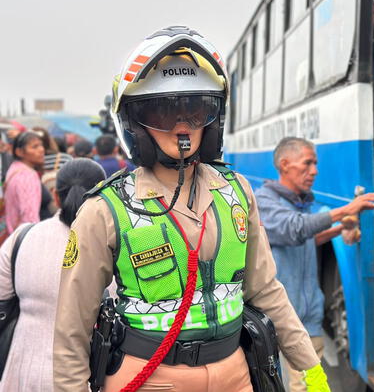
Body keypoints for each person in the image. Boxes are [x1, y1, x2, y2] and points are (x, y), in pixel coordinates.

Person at [53, 26, 328, 392]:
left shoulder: (236, 192)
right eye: (164, 112)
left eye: (195, 110)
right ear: (134, 122)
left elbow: (266, 289)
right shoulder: (106, 210)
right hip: (149, 376)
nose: (182, 125)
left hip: (237, 373)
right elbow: (71, 329)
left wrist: (310, 367)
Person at [255, 137, 374, 392]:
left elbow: (305, 239)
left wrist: (339, 229)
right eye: (308, 163)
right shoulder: (264, 201)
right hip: (285, 322)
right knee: (300, 386)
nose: (314, 171)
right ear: (285, 164)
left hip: (309, 319)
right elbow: (295, 228)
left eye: (315, 164)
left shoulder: (300, 201)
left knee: (313, 385)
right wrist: (347, 209)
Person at [0, 158, 106, 392]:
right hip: (83, 377)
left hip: (20, 373)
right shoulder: (112, 245)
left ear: (56, 196)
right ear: (105, 195)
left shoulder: (23, 236)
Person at [3, 131, 45, 238]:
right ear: (19, 152)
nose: (41, 150)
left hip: (13, 235)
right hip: (25, 238)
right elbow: (30, 217)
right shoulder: (28, 175)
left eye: (41, 145)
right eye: (34, 147)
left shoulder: (14, 168)